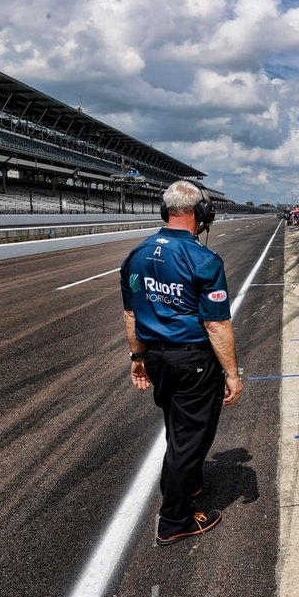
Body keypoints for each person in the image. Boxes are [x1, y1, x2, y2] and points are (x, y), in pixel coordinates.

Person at [121, 180, 244, 546]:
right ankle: (174, 520)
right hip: (192, 359)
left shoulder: (137, 254)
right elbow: (216, 323)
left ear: (166, 212)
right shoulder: (204, 259)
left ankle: (189, 483)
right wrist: (233, 375)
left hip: (156, 357)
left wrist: (138, 357)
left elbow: (130, 315)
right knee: (189, 440)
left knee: (178, 428)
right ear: (202, 214)